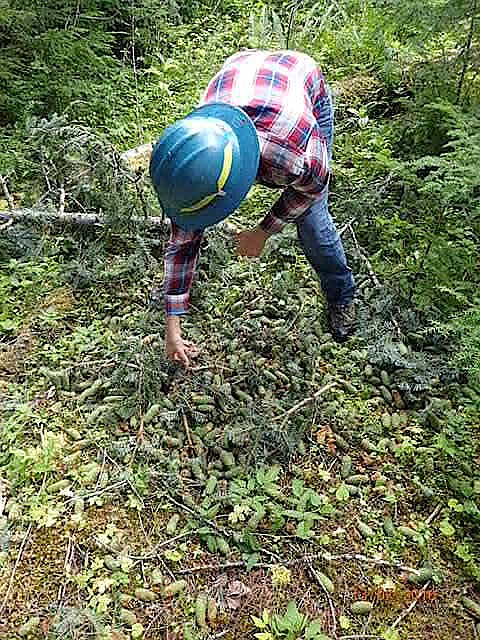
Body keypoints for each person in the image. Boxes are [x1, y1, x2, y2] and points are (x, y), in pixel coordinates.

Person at [150, 49, 356, 368]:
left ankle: (341, 296)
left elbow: (312, 188)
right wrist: (172, 329)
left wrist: (262, 232)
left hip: (302, 79)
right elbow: (183, 243)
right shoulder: (188, 158)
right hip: (243, 71)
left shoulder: (294, 152)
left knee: (312, 222)